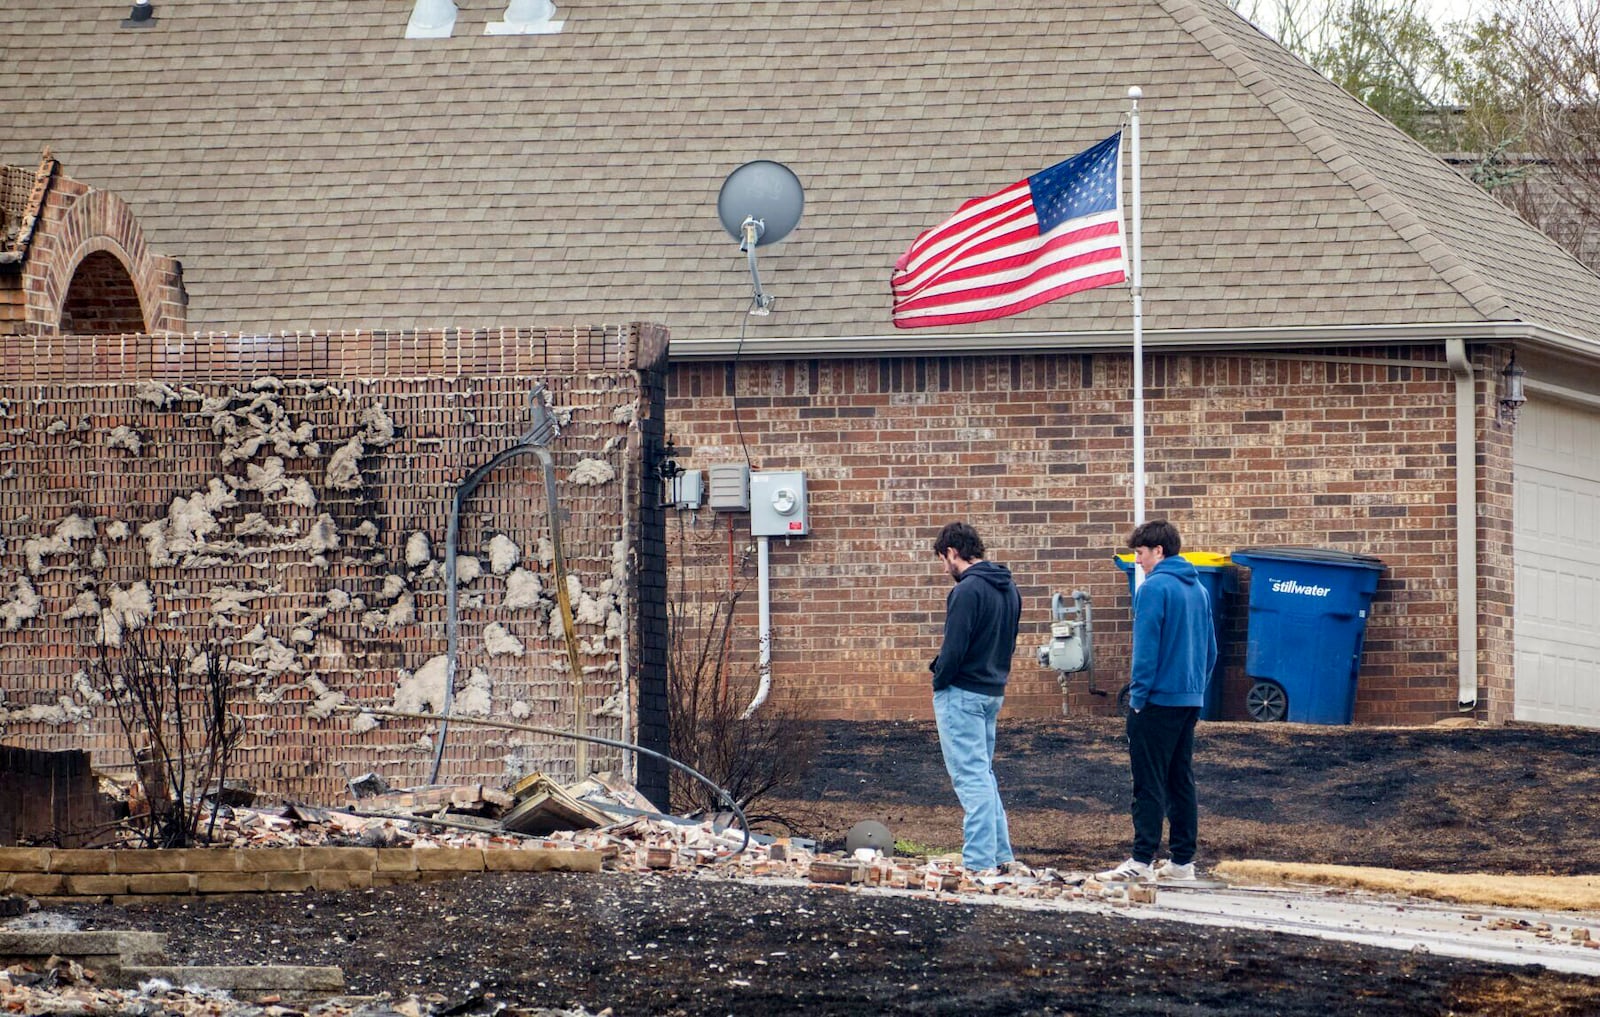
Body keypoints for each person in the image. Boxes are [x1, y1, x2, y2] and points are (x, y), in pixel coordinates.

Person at [1097, 519, 1217, 883]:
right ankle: (1182, 862)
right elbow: (1211, 650)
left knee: (1147, 780)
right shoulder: (1199, 590)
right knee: (1180, 778)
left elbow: (1145, 650)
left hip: (1156, 700)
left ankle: (1141, 860)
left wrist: (1138, 696)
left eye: (1141, 553)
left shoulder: (1152, 589)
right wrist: (1196, 688)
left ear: (1159, 551)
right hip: (1189, 698)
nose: (1139, 560)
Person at [929, 521, 1023, 874]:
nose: (944, 569)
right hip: (992, 689)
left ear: (952, 552)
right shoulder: (1008, 587)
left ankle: (979, 863)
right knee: (982, 774)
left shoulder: (967, 591)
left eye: (943, 559)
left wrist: (940, 679)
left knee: (971, 778)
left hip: (962, 693)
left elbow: (954, 646)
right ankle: (1001, 857)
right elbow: (1009, 642)